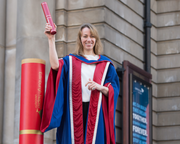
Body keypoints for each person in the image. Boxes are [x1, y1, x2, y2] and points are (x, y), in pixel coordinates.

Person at [40, 23, 120, 144]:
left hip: (97, 113)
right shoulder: (71, 61)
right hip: (74, 111)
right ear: (80, 39)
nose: (89, 39)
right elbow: (55, 65)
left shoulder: (106, 64)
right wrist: (51, 40)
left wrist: (100, 87)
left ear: (96, 39)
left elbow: (114, 90)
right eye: (85, 36)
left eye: (92, 36)